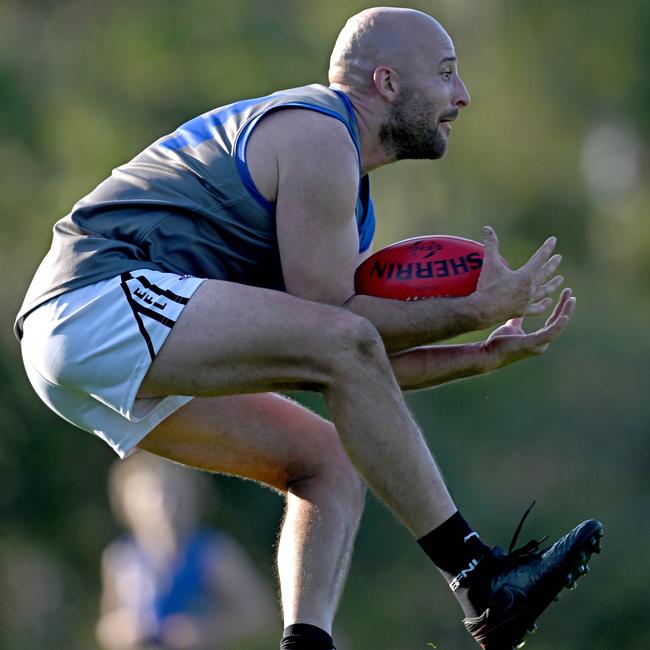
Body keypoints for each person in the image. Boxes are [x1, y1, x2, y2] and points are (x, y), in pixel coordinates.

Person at [15, 7, 603, 649]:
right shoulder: (323, 134)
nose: (462, 95)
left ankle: (308, 644)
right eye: (445, 74)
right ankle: (479, 578)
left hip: (86, 343)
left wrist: (481, 354)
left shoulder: (342, 184)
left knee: (326, 461)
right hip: (91, 300)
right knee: (338, 342)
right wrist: (472, 310)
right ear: (385, 83)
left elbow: (353, 369)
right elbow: (341, 331)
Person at [96, 451, 276, 650]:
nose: (163, 504)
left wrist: (205, 629)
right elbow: (106, 624)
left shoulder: (214, 554)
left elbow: (260, 617)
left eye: (173, 491)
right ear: (125, 503)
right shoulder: (119, 558)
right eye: (151, 494)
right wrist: (124, 630)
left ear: (195, 495)